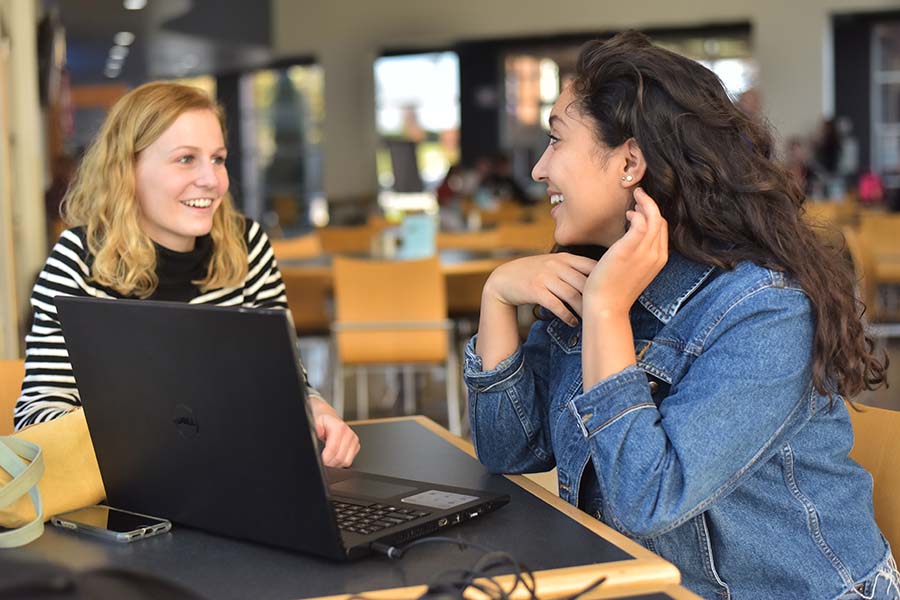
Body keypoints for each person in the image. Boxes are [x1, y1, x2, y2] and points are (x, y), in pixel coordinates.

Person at [465, 31, 898, 599]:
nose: (540, 169)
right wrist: (496, 297)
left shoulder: (764, 311)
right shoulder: (595, 280)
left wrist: (606, 314)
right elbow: (508, 452)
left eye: (555, 140)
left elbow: (648, 499)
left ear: (630, 162)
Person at [13, 81, 359, 468]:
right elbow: (35, 421)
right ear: (127, 170)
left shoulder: (249, 246)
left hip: (237, 476)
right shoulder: (77, 260)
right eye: (185, 159)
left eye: (218, 158)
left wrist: (315, 407)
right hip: (124, 497)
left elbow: (285, 384)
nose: (211, 180)